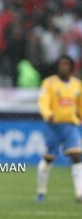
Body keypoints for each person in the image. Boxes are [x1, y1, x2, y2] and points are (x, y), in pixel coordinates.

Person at [37, 55, 82, 203]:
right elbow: (43, 101)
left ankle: (79, 193)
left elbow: (80, 104)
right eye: (61, 64)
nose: (64, 67)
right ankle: (41, 191)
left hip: (71, 125)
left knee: (77, 156)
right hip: (53, 126)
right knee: (49, 158)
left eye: (67, 65)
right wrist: (48, 114)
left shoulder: (77, 85)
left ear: (71, 67)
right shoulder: (49, 83)